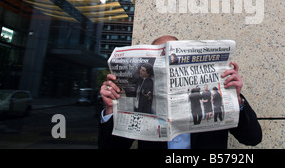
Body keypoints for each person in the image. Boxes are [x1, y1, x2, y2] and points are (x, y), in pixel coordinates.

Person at [98, 35, 262, 149]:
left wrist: (236, 99)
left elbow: (252, 138)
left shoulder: (214, 94)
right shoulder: (141, 93)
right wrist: (111, 110)